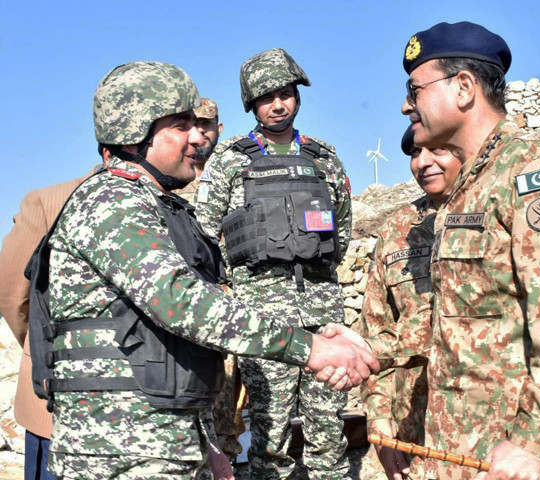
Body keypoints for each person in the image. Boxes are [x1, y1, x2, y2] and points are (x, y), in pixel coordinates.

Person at [33, 60, 376, 479]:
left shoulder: (159, 206)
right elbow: (182, 304)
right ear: (133, 133)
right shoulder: (112, 203)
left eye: (197, 125)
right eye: (181, 126)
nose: (199, 138)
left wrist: (203, 444)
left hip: (164, 446)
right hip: (121, 455)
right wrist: (312, 349)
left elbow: (164, 343)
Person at [397, 21, 540, 480]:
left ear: (464, 87)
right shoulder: (468, 188)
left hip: (522, 461)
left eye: (415, 90)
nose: (406, 105)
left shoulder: (534, 172)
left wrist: (532, 442)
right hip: (466, 452)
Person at [195, 48, 352, 479]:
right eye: (266, 97)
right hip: (264, 323)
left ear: (297, 97)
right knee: (269, 436)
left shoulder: (324, 159)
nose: (278, 104)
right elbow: (205, 235)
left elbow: (342, 232)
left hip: (324, 316)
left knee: (328, 433)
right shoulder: (230, 160)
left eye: (285, 94)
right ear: (252, 104)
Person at [357, 127, 462, 480]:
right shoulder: (397, 229)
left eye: (438, 149)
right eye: (416, 153)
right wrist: (381, 427)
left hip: (485, 434)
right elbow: (376, 329)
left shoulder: (496, 213)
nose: (423, 162)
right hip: (413, 435)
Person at [0, 162, 103, 480]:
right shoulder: (48, 202)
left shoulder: (171, 206)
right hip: (58, 406)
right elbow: (13, 294)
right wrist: (42, 347)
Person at [173, 98, 243, 462]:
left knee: (228, 414)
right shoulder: (167, 182)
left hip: (233, 306)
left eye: (207, 125)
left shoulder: (234, 174)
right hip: (183, 308)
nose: (200, 134)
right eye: (191, 125)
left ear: (219, 128)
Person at [174, 98, 224, 204]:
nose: (200, 130)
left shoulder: (231, 170)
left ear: (219, 129)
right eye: (194, 124)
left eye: (206, 123)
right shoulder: (172, 174)